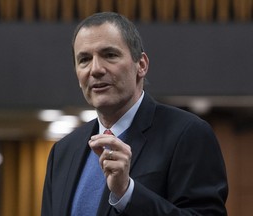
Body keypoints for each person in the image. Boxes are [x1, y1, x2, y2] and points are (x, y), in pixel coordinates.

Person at [41, 12, 228, 216]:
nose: (95, 69)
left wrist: (127, 193)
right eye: (84, 59)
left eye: (110, 55)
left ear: (141, 65)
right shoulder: (63, 151)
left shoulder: (188, 134)